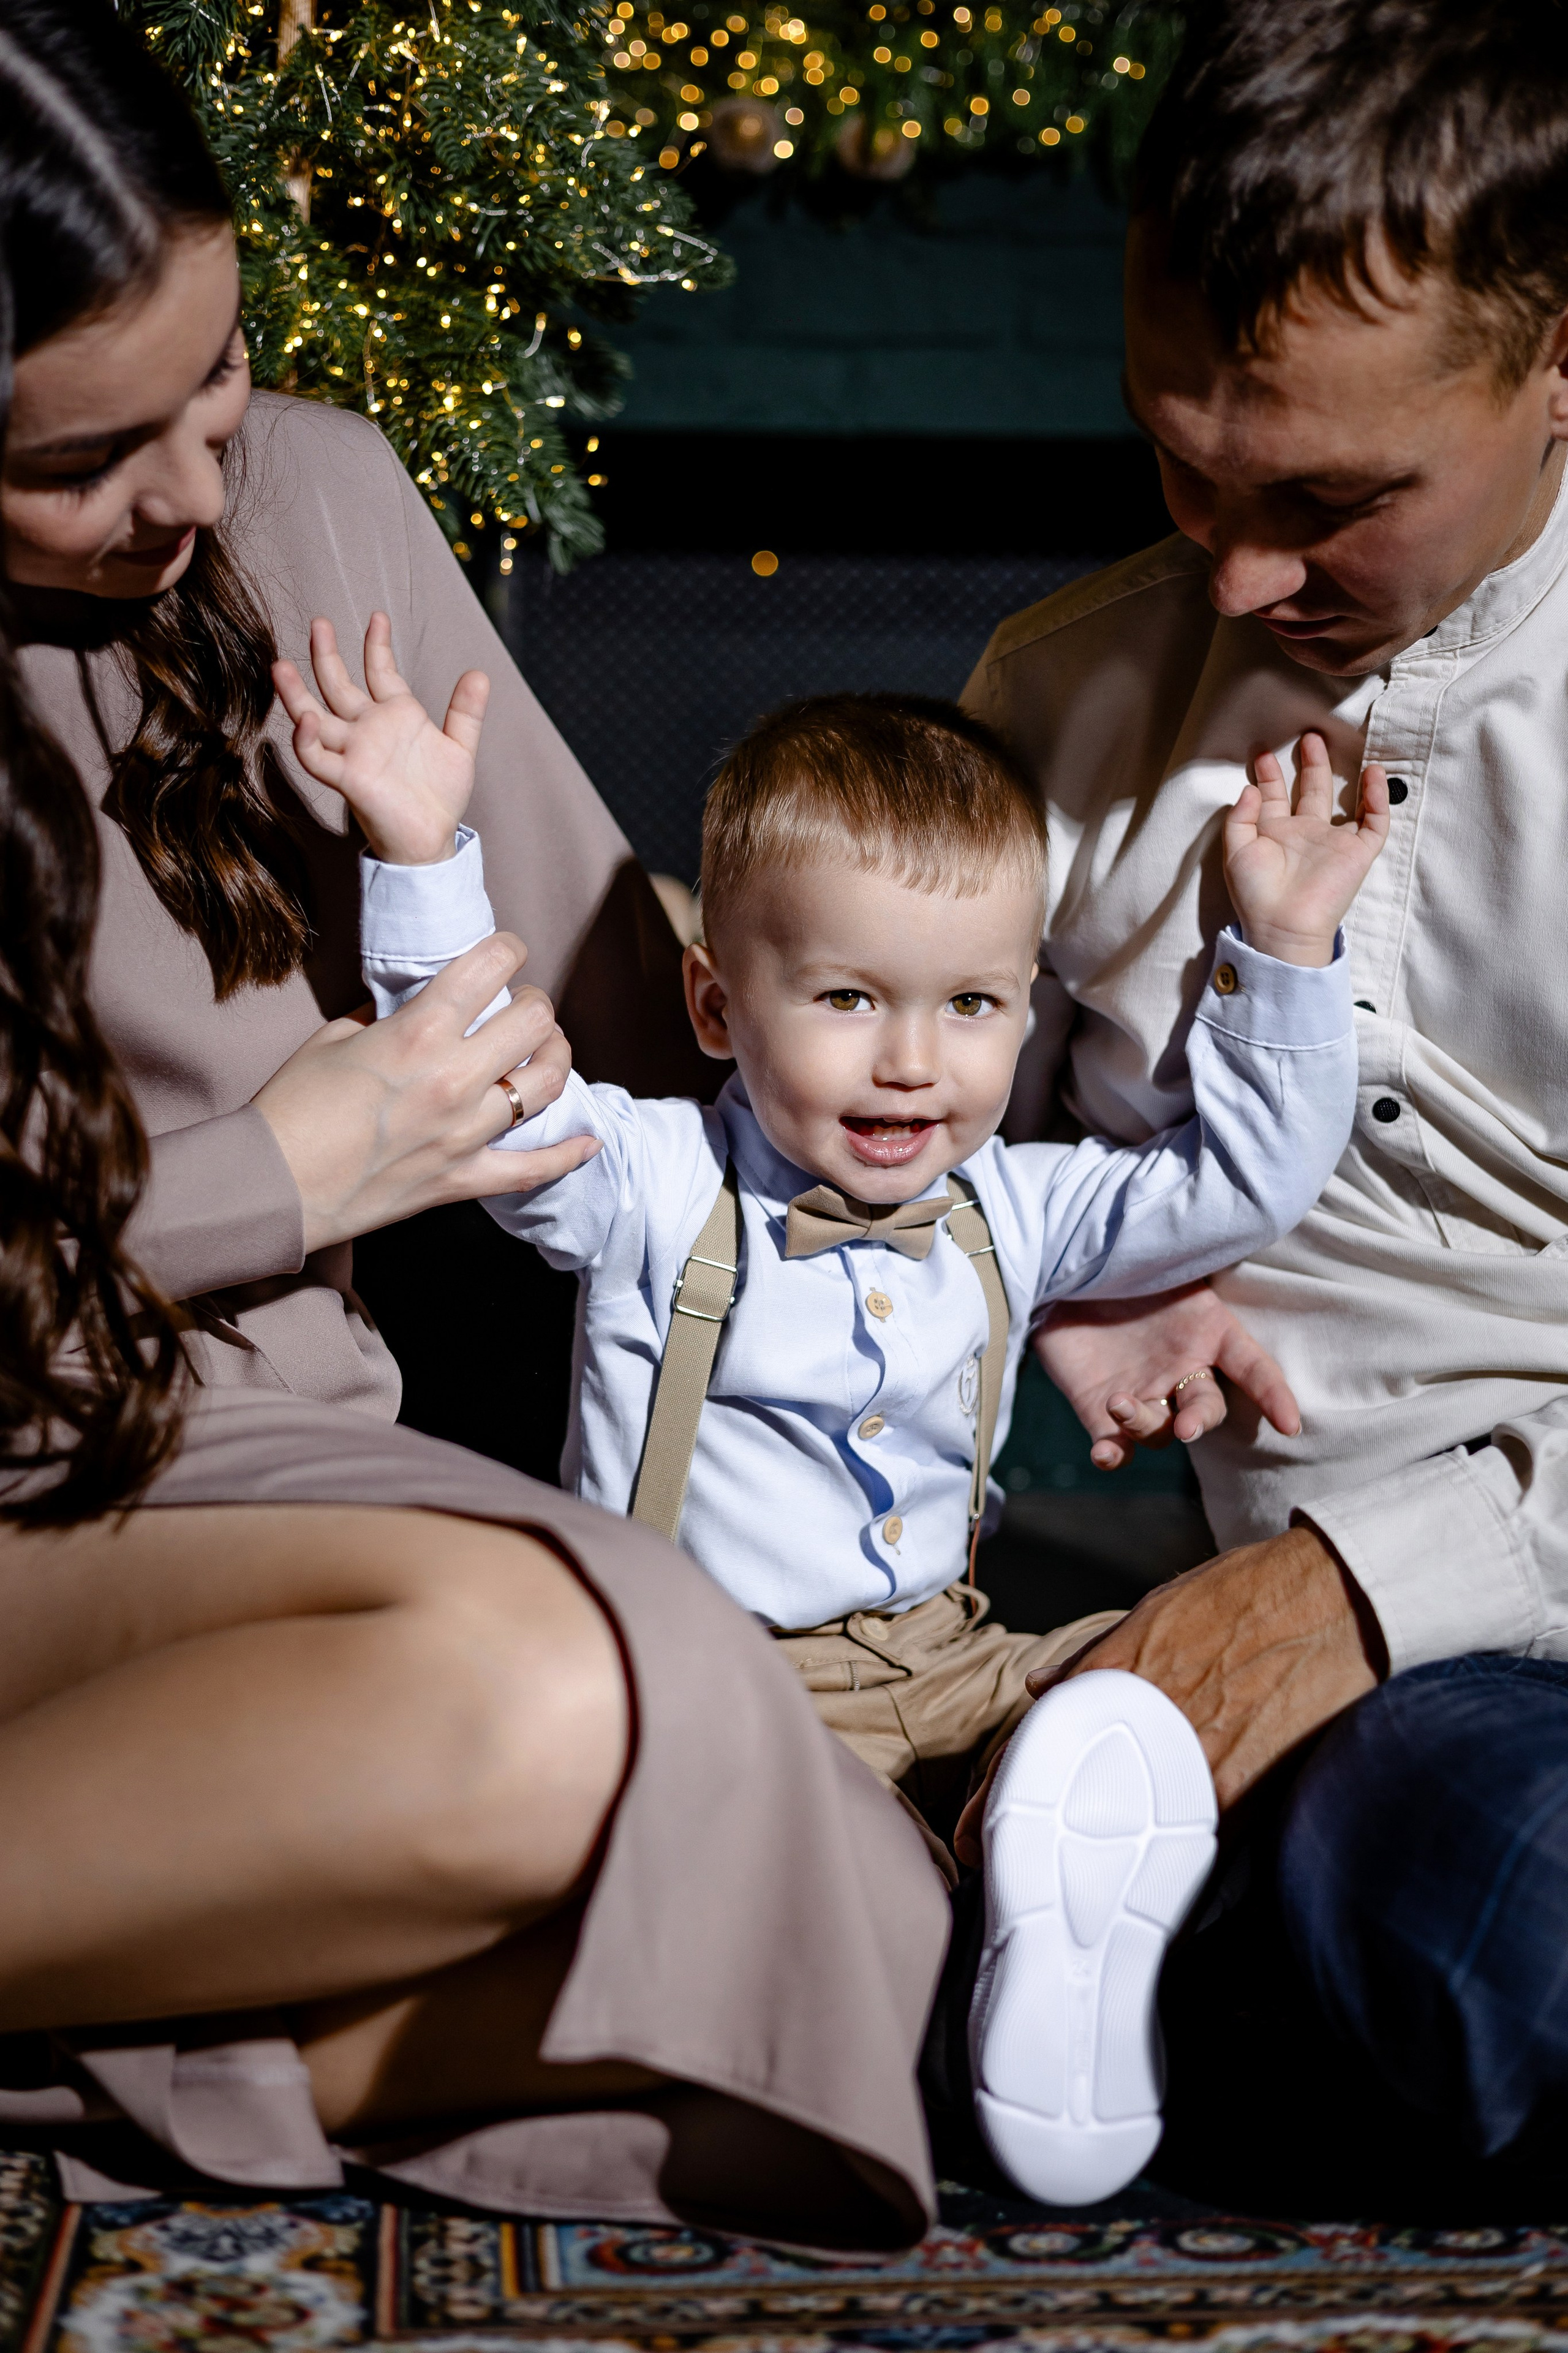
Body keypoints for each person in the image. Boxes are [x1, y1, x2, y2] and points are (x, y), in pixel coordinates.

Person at [0, 0, 955, 2243]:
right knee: (563, 1712)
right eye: (82, 457)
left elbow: (629, 1003)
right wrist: (289, 1177)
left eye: (214, 381)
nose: (196, 494)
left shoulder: (312, 497)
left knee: (842, 1907)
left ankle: (136, 2037)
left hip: (282, 1477)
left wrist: (977, 1165)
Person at [275, 619, 1386, 2198]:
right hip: (728, 1686)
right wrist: (416, 842)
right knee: (822, 1873)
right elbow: (476, 1080)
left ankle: (1056, 1917)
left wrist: (1279, 952)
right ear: (720, 1008)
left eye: (977, 1007)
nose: (916, 1066)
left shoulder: (1016, 1203)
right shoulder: (656, 1186)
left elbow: (1241, 1180)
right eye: (852, 999)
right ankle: (953, 1975)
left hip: (954, 1649)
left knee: (1147, 1695)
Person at [963, 0, 1568, 2207]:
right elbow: (889, 1192)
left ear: (1552, 356)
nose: (1231, 574)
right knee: (1510, 1889)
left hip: (1463, 1613)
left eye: (1329, 499)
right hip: (1367, 1721)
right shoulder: (1057, 700)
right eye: (1178, 463)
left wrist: (1355, 1586)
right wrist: (1015, 1278)